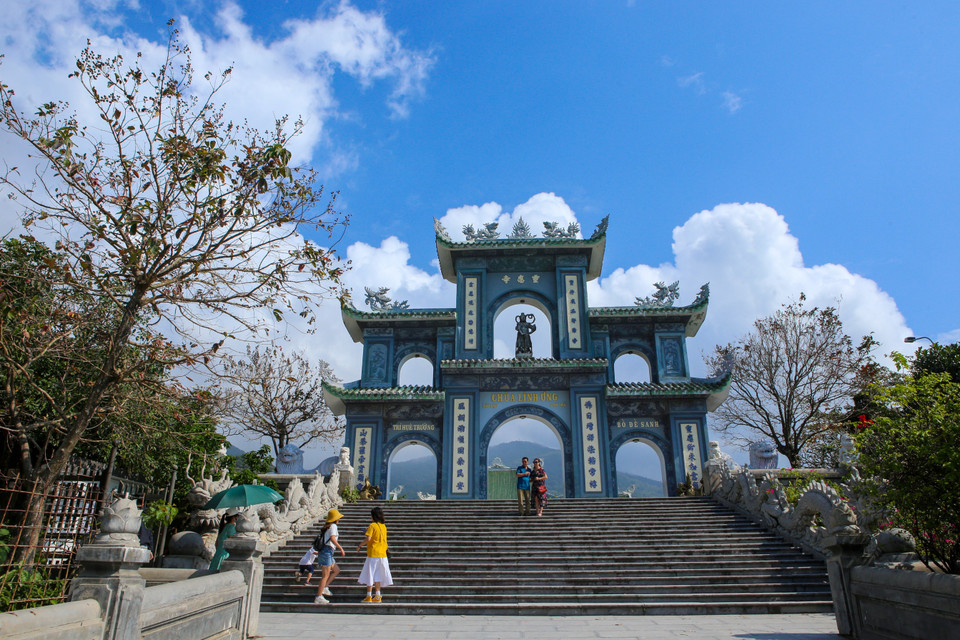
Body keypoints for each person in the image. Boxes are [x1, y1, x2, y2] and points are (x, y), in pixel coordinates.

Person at [356, 506, 392, 603]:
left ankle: (368, 595)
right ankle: (378, 595)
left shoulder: (372, 525)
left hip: (373, 553)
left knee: (370, 574)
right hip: (382, 554)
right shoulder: (383, 526)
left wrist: (360, 545)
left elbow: (368, 539)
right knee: (378, 575)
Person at [314, 508, 345, 604]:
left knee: (336, 570)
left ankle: (325, 587)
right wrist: (340, 548)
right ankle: (318, 597)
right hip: (327, 551)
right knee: (325, 575)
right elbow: (332, 538)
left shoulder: (328, 526)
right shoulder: (333, 526)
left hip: (327, 552)